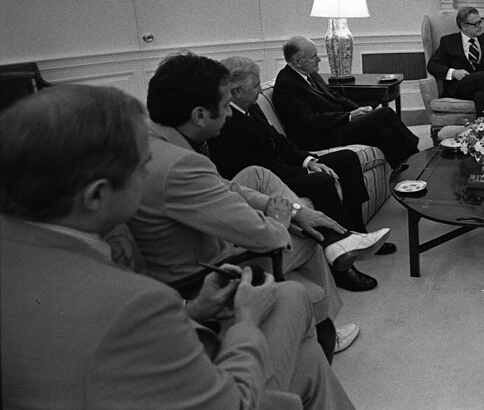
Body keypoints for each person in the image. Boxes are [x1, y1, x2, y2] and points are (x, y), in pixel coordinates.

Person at [0, 85, 354, 409]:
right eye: (141, 169)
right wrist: (246, 320)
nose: (146, 176)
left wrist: (193, 310)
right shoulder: (136, 304)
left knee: (307, 360)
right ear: (96, 195)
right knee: (291, 298)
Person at [131, 52, 388, 357]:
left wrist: (294, 210)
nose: (229, 115)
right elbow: (270, 238)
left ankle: (337, 245)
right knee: (311, 238)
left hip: (188, 243)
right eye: (226, 106)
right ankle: (325, 324)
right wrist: (283, 218)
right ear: (200, 115)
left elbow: (227, 186)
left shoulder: (153, 138)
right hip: (207, 271)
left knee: (259, 177)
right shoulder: (181, 166)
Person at [210, 56, 396, 293]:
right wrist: (305, 169)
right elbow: (253, 164)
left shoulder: (250, 106)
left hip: (284, 165)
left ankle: (358, 232)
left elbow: (279, 141)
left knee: (347, 159)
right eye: (255, 85)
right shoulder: (226, 122)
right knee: (321, 181)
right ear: (236, 91)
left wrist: (309, 159)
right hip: (266, 178)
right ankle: (342, 269)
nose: (259, 90)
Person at [273, 36, 420, 169]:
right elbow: (310, 122)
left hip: (336, 126)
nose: (318, 60)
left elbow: (335, 96)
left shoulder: (310, 74)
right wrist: (348, 116)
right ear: (297, 61)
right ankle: (418, 155)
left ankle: (409, 175)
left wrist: (361, 110)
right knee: (385, 113)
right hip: (321, 137)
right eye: (314, 57)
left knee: (386, 135)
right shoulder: (287, 84)